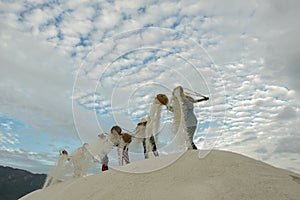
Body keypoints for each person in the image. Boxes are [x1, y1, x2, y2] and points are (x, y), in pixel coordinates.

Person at [169, 86, 209, 150]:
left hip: (191, 123)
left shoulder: (187, 102)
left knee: (189, 141)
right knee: (188, 140)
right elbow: (177, 111)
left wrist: (203, 99)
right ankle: (192, 152)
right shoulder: (183, 104)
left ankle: (193, 153)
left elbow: (191, 103)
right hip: (187, 124)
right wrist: (168, 107)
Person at [134, 94, 169, 159]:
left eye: (144, 123)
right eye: (142, 123)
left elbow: (151, 119)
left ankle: (156, 156)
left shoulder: (148, 124)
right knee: (145, 147)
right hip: (144, 137)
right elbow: (136, 133)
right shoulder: (139, 127)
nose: (143, 124)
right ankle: (146, 157)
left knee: (154, 146)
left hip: (150, 135)